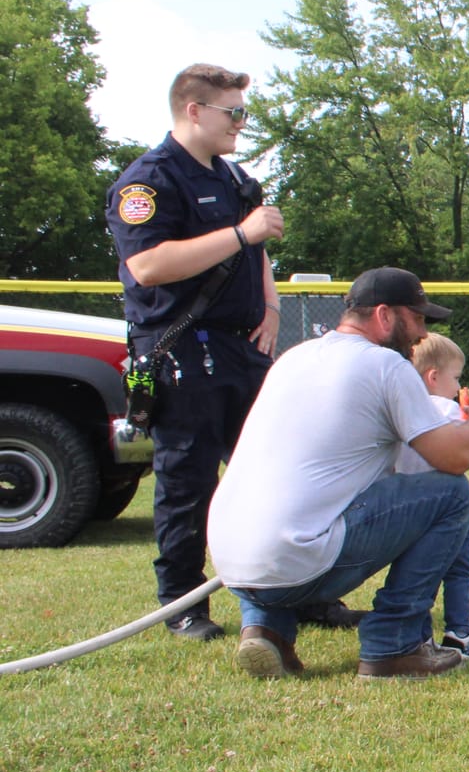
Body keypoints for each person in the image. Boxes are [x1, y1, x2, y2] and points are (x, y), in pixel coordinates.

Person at [104, 64, 358, 640]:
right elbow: (147, 266)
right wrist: (242, 233)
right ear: (194, 110)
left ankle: (304, 594)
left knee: (285, 478)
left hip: (241, 349)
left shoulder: (233, 176)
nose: (241, 123)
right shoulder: (148, 183)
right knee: (188, 482)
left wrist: (269, 309)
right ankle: (183, 606)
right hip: (180, 353)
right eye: (233, 112)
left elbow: (256, 254)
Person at [208, 268, 469, 680]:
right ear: (385, 316)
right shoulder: (385, 365)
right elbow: (453, 458)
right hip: (296, 558)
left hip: (231, 560)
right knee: (452, 494)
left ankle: (266, 629)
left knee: (298, 511)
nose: (422, 333)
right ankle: (394, 645)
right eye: (417, 318)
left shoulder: (293, 358)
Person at [393, 332, 469, 657]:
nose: (458, 387)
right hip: (448, 513)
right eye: (456, 378)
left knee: (418, 575)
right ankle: (460, 633)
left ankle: (420, 636)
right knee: (458, 571)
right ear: (434, 377)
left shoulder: (400, 413)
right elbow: (468, 444)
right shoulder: (445, 410)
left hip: (407, 512)